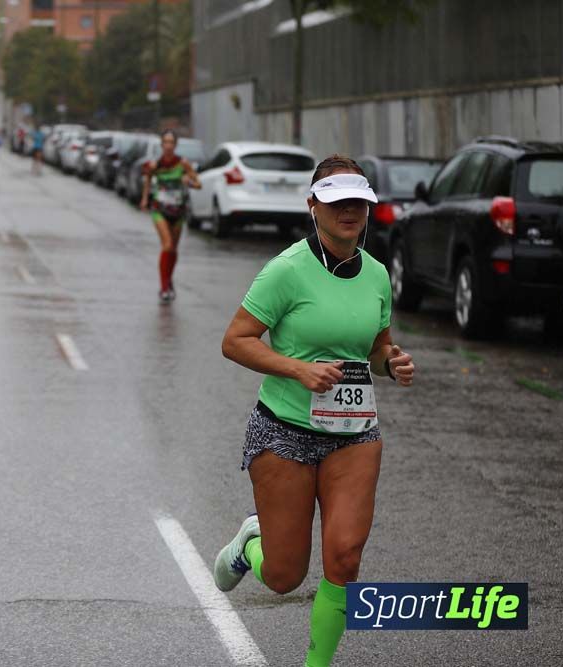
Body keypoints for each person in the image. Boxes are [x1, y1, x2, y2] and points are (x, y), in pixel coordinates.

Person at [212, 154, 416, 667]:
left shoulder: (374, 274)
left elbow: (375, 348)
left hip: (355, 432)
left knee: (344, 559)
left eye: (358, 202)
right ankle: (250, 543)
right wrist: (297, 369)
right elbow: (235, 342)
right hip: (285, 431)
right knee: (284, 577)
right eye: (336, 201)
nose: (349, 211)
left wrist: (392, 363)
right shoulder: (286, 270)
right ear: (313, 207)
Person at [139, 129, 201, 304]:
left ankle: (168, 277)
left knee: (173, 249)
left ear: (175, 145)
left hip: (178, 212)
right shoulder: (155, 165)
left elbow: (199, 184)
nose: (168, 146)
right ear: (161, 145)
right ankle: (164, 287)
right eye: (165, 142)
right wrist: (145, 199)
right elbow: (147, 181)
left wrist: (188, 181)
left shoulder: (183, 164)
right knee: (166, 246)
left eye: (171, 142)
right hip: (160, 209)